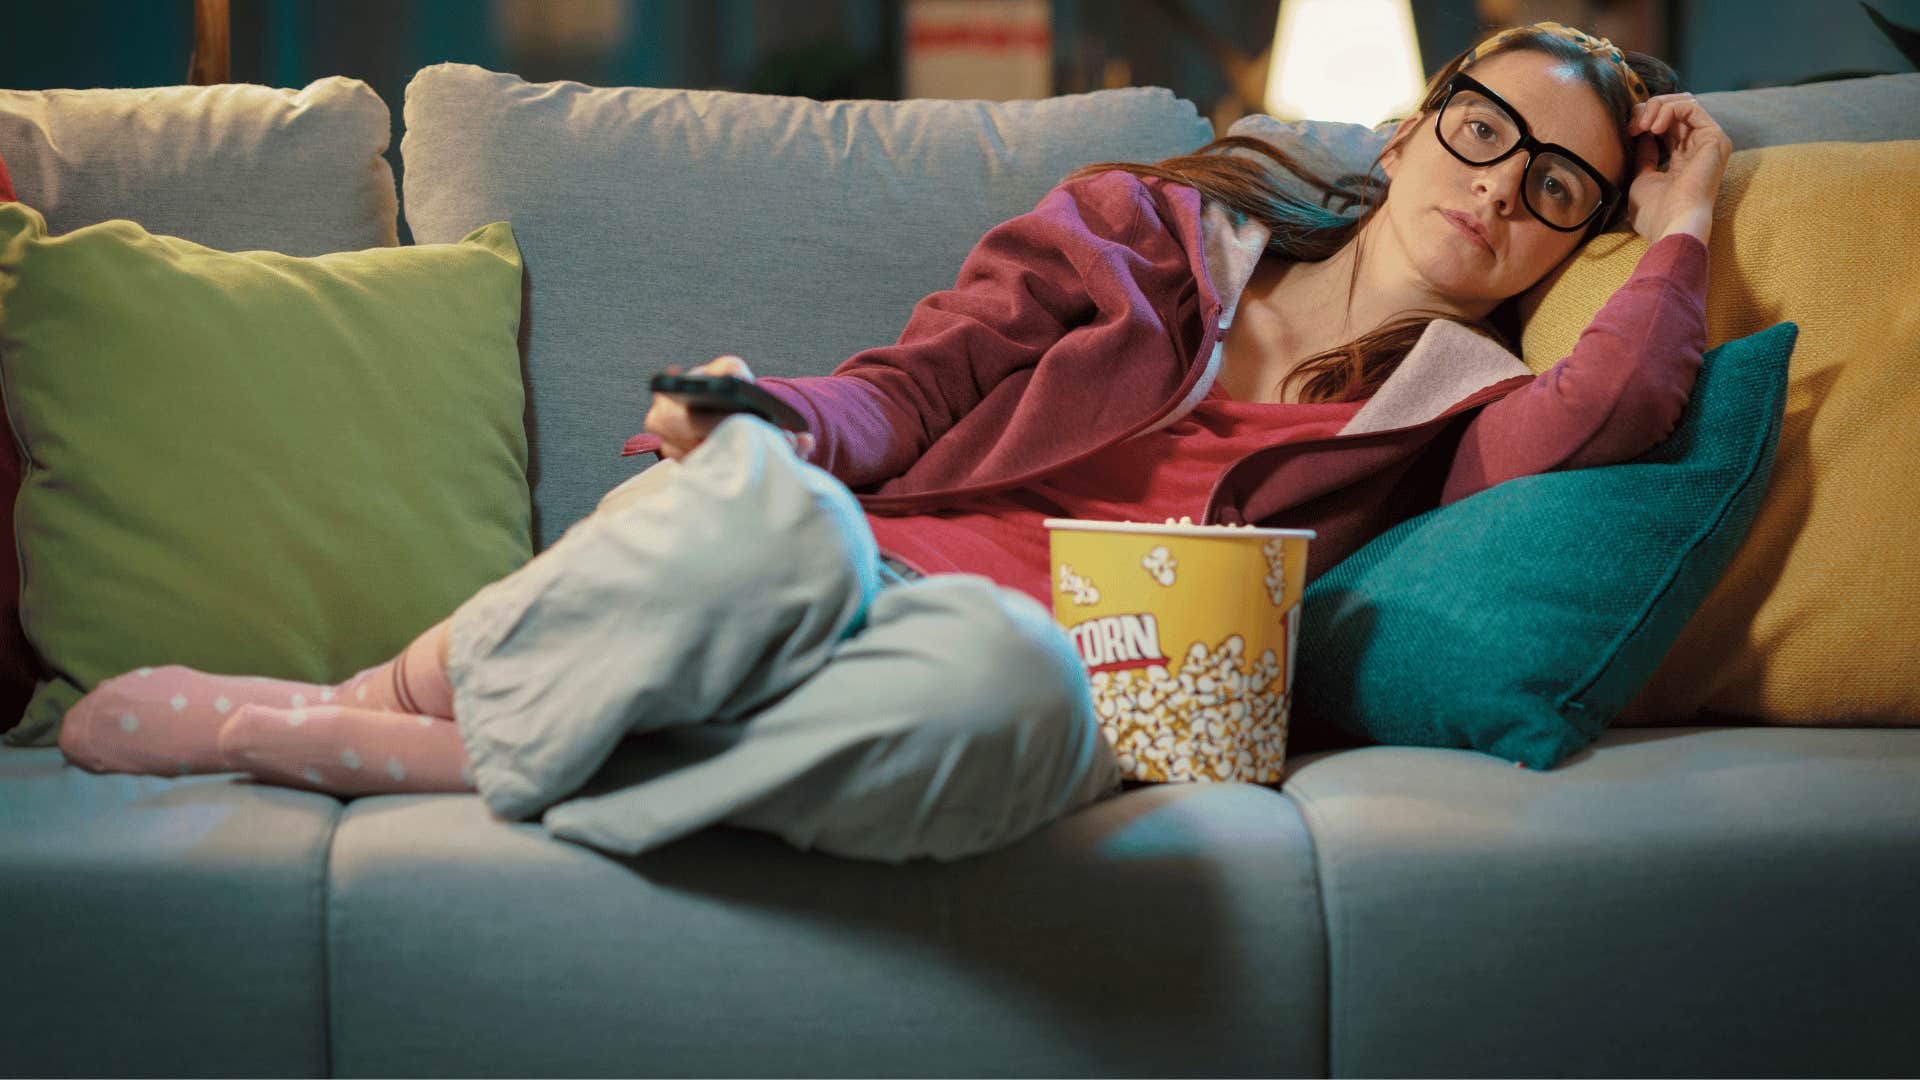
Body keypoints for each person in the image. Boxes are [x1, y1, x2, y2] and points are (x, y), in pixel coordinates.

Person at [57, 22, 1731, 864]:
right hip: (841, 570)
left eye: (1558, 188)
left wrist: (1689, 218)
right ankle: (379, 702)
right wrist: (770, 418)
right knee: (765, 498)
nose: (1502, 187)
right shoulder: (1141, 231)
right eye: (1487, 129)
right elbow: (913, 389)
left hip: (1064, 681)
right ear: (1413, 119)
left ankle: (443, 752)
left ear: (1569, 238)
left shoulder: (1449, 410)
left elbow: (1622, 411)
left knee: (1001, 692)